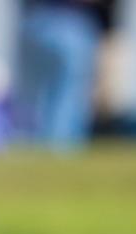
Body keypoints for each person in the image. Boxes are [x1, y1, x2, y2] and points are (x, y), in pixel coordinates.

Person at [10, 0, 107, 149]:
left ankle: (27, 144)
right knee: (67, 96)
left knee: (33, 95)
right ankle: (57, 149)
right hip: (68, 23)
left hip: (31, 21)